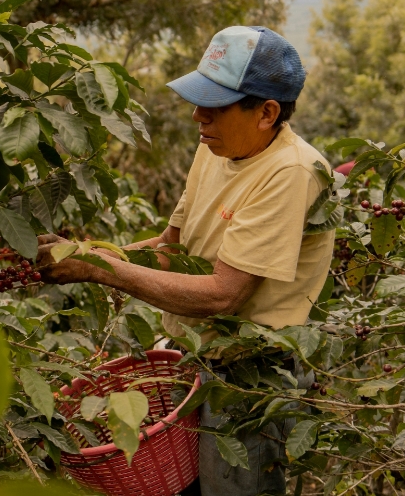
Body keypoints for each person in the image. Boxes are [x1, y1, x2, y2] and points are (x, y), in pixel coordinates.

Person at [37, 26, 334, 496]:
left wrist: (96, 269)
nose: (197, 115)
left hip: (250, 372)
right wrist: (85, 253)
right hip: (194, 355)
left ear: (267, 113)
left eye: (215, 106)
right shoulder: (214, 146)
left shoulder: (291, 172)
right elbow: (170, 247)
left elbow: (223, 295)